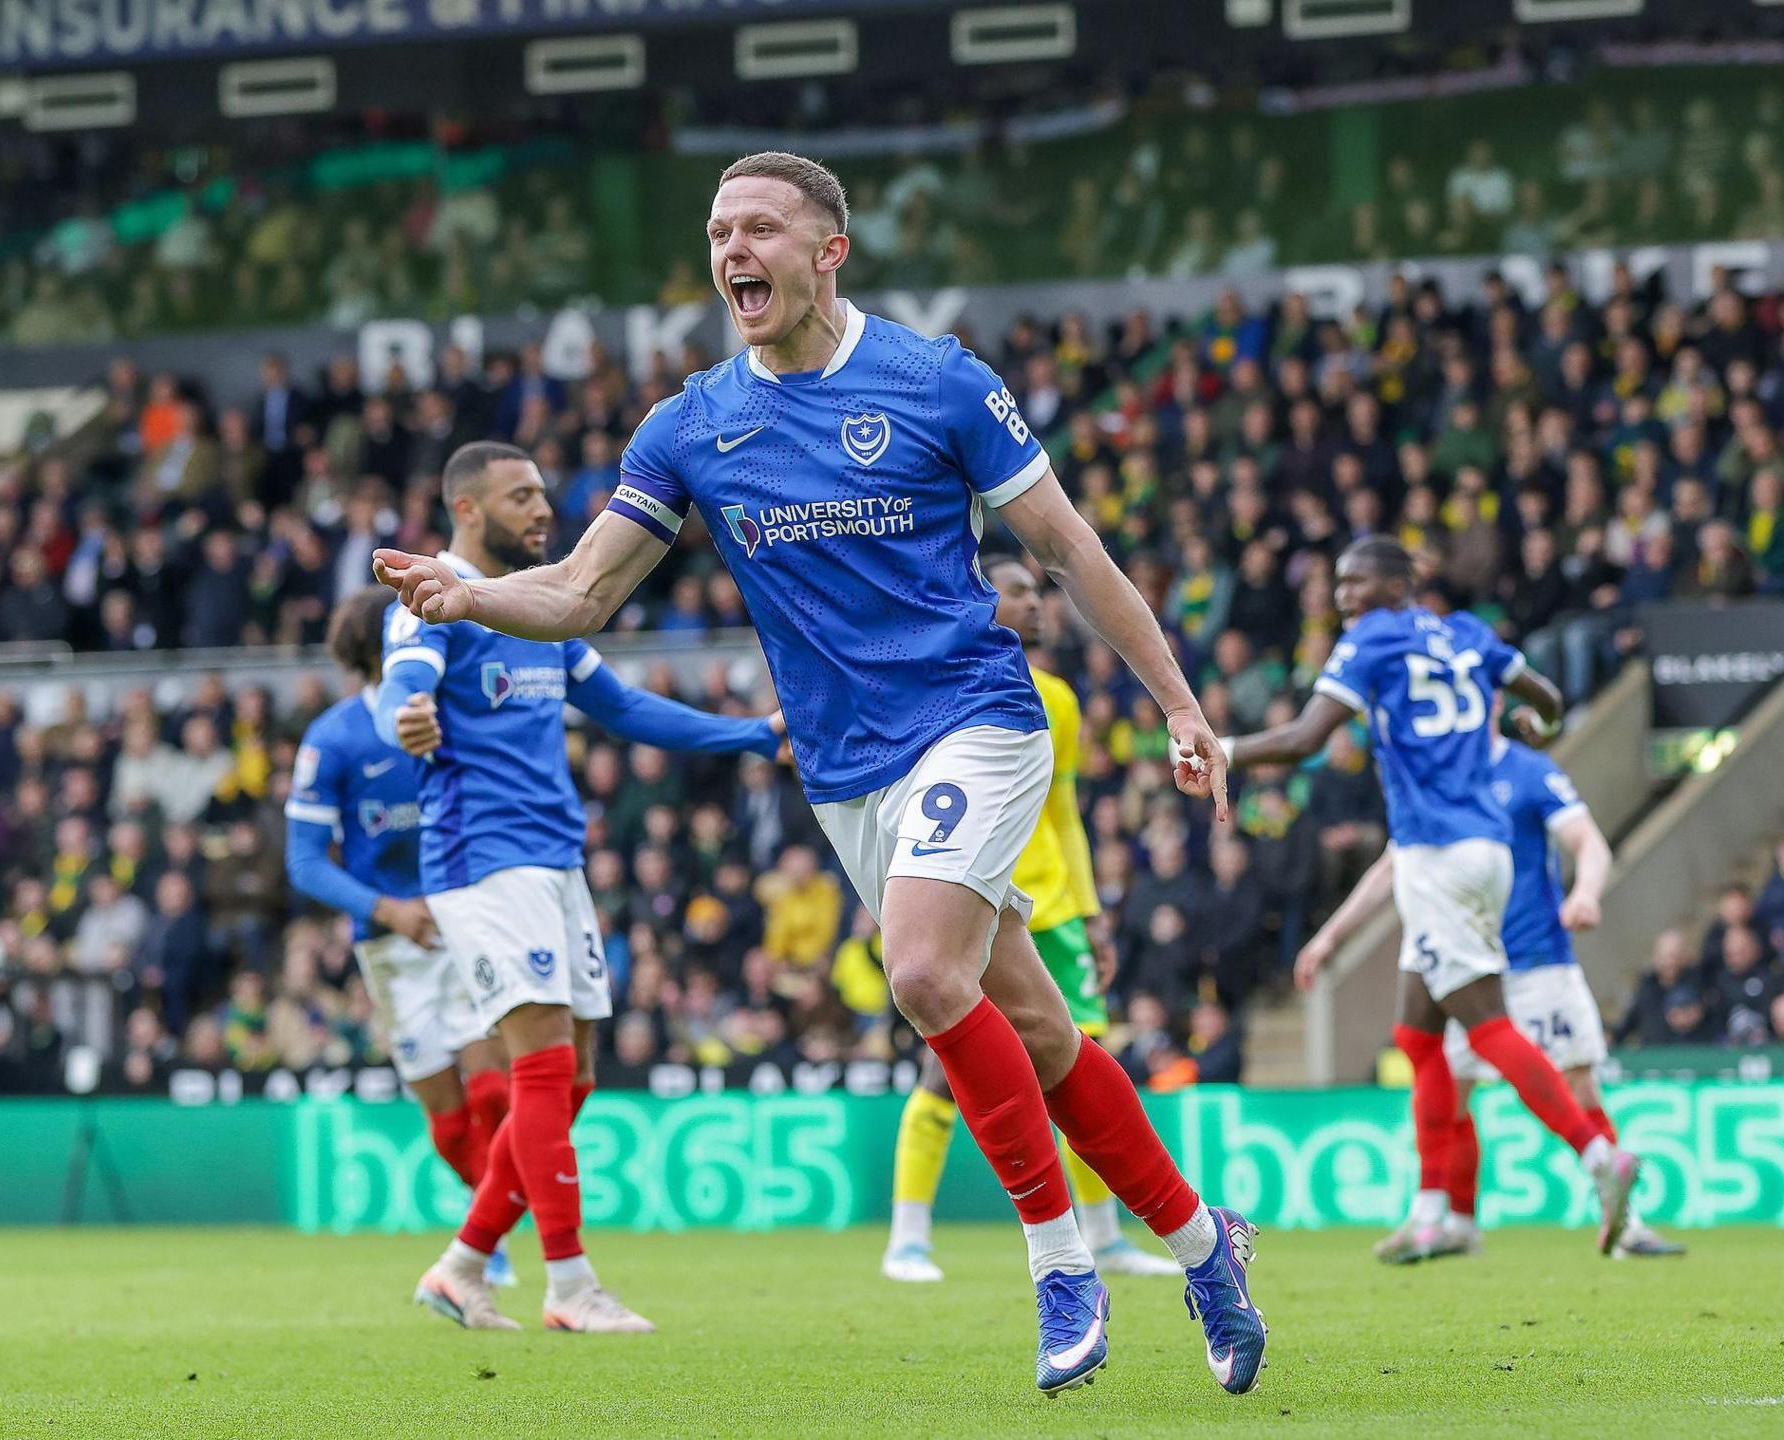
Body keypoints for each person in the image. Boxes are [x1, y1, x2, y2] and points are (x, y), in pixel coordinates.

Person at [373, 153, 1265, 1397]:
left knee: (919, 971)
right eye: (717, 229)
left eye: (761, 227)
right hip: (846, 772)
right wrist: (467, 596)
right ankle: (1197, 1239)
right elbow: (580, 589)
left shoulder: (934, 380)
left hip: (975, 719)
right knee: (1040, 1029)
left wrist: (1180, 704)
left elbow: (1066, 546)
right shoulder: (690, 424)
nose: (733, 247)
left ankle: (1059, 1260)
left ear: (827, 251)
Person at [382, 441, 784, 1335]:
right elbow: (399, 688)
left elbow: (627, 711)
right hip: (481, 861)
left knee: (576, 1078)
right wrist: (403, 718)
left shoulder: (537, 614)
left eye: (540, 493)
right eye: (521, 496)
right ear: (470, 509)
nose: (543, 510)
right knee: (543, 1064)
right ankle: (568, 1285)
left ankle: (460, 1266)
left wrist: (752, 734)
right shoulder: (432, 598)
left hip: (553, 859)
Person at [1218, 536, 1645, 1256]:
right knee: (1419, 1036)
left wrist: (1222, 750)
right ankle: (1434, 1210)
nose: (1343, 597)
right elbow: (1546, 695)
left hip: (1439, 854)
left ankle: (1600, 1158)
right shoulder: (1467, 634)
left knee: (1484, 1027)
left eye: (1356, 582)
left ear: (1397, 583)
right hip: (1473, 851)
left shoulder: (1373, 643)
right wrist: (1535, 724)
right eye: (1338, 584)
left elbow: (1303, 738)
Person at [882, 555, 1180, 1284]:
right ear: (980, 601)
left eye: (1041, 591)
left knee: (1082, 1059)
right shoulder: (935, 691)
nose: (1038, 604)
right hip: (973, 897)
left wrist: (1089, 912)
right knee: (941, 1071)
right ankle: (908, 1237)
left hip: (1053, 908)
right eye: (1019, 591)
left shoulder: (1059, 700)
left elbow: (1066, 816)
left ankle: (1105, 1235)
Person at [1297, 718, 1682, 1261]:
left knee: (1578, 1082)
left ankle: (1629, 1224)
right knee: (1448, 1088)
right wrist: (1330, 936)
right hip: (1461, 960)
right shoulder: (1440, 773)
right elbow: (1393, 865)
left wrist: (1586, 892)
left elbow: (1586, 841)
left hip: (1535, 960)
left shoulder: (1529, 771)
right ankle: (1457, 1221)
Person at [284, 586, 514, 1289]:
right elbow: (302, 862)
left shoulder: (452, 712)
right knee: (446, 1117)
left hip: (463, 921)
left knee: (494, 1094)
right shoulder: (332, 739)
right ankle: (491, 1231)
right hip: (390, 947)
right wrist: (387, 910)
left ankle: (486, 1235)